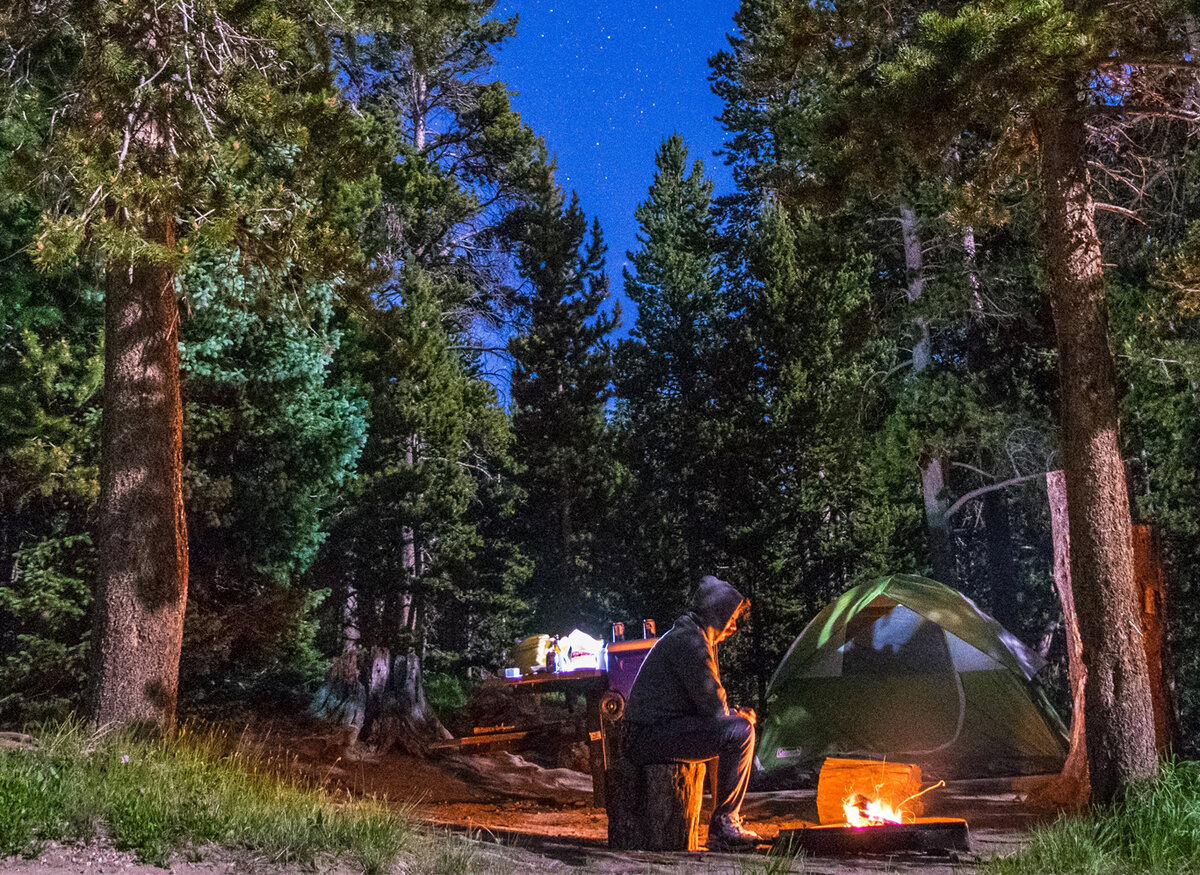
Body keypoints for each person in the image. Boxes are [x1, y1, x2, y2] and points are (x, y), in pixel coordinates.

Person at [624, 575, 760, 850]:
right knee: (741, 733)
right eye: (730, 617)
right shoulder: (691, 643)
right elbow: (713, 709)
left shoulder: (691, 636)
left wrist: (731, 712)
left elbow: (708, 705)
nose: (733, 626)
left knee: (737, 727)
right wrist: (735, 716)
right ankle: (725, 825)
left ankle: (725, 822)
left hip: (654, 731)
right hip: (647, 737)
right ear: (717, 613)